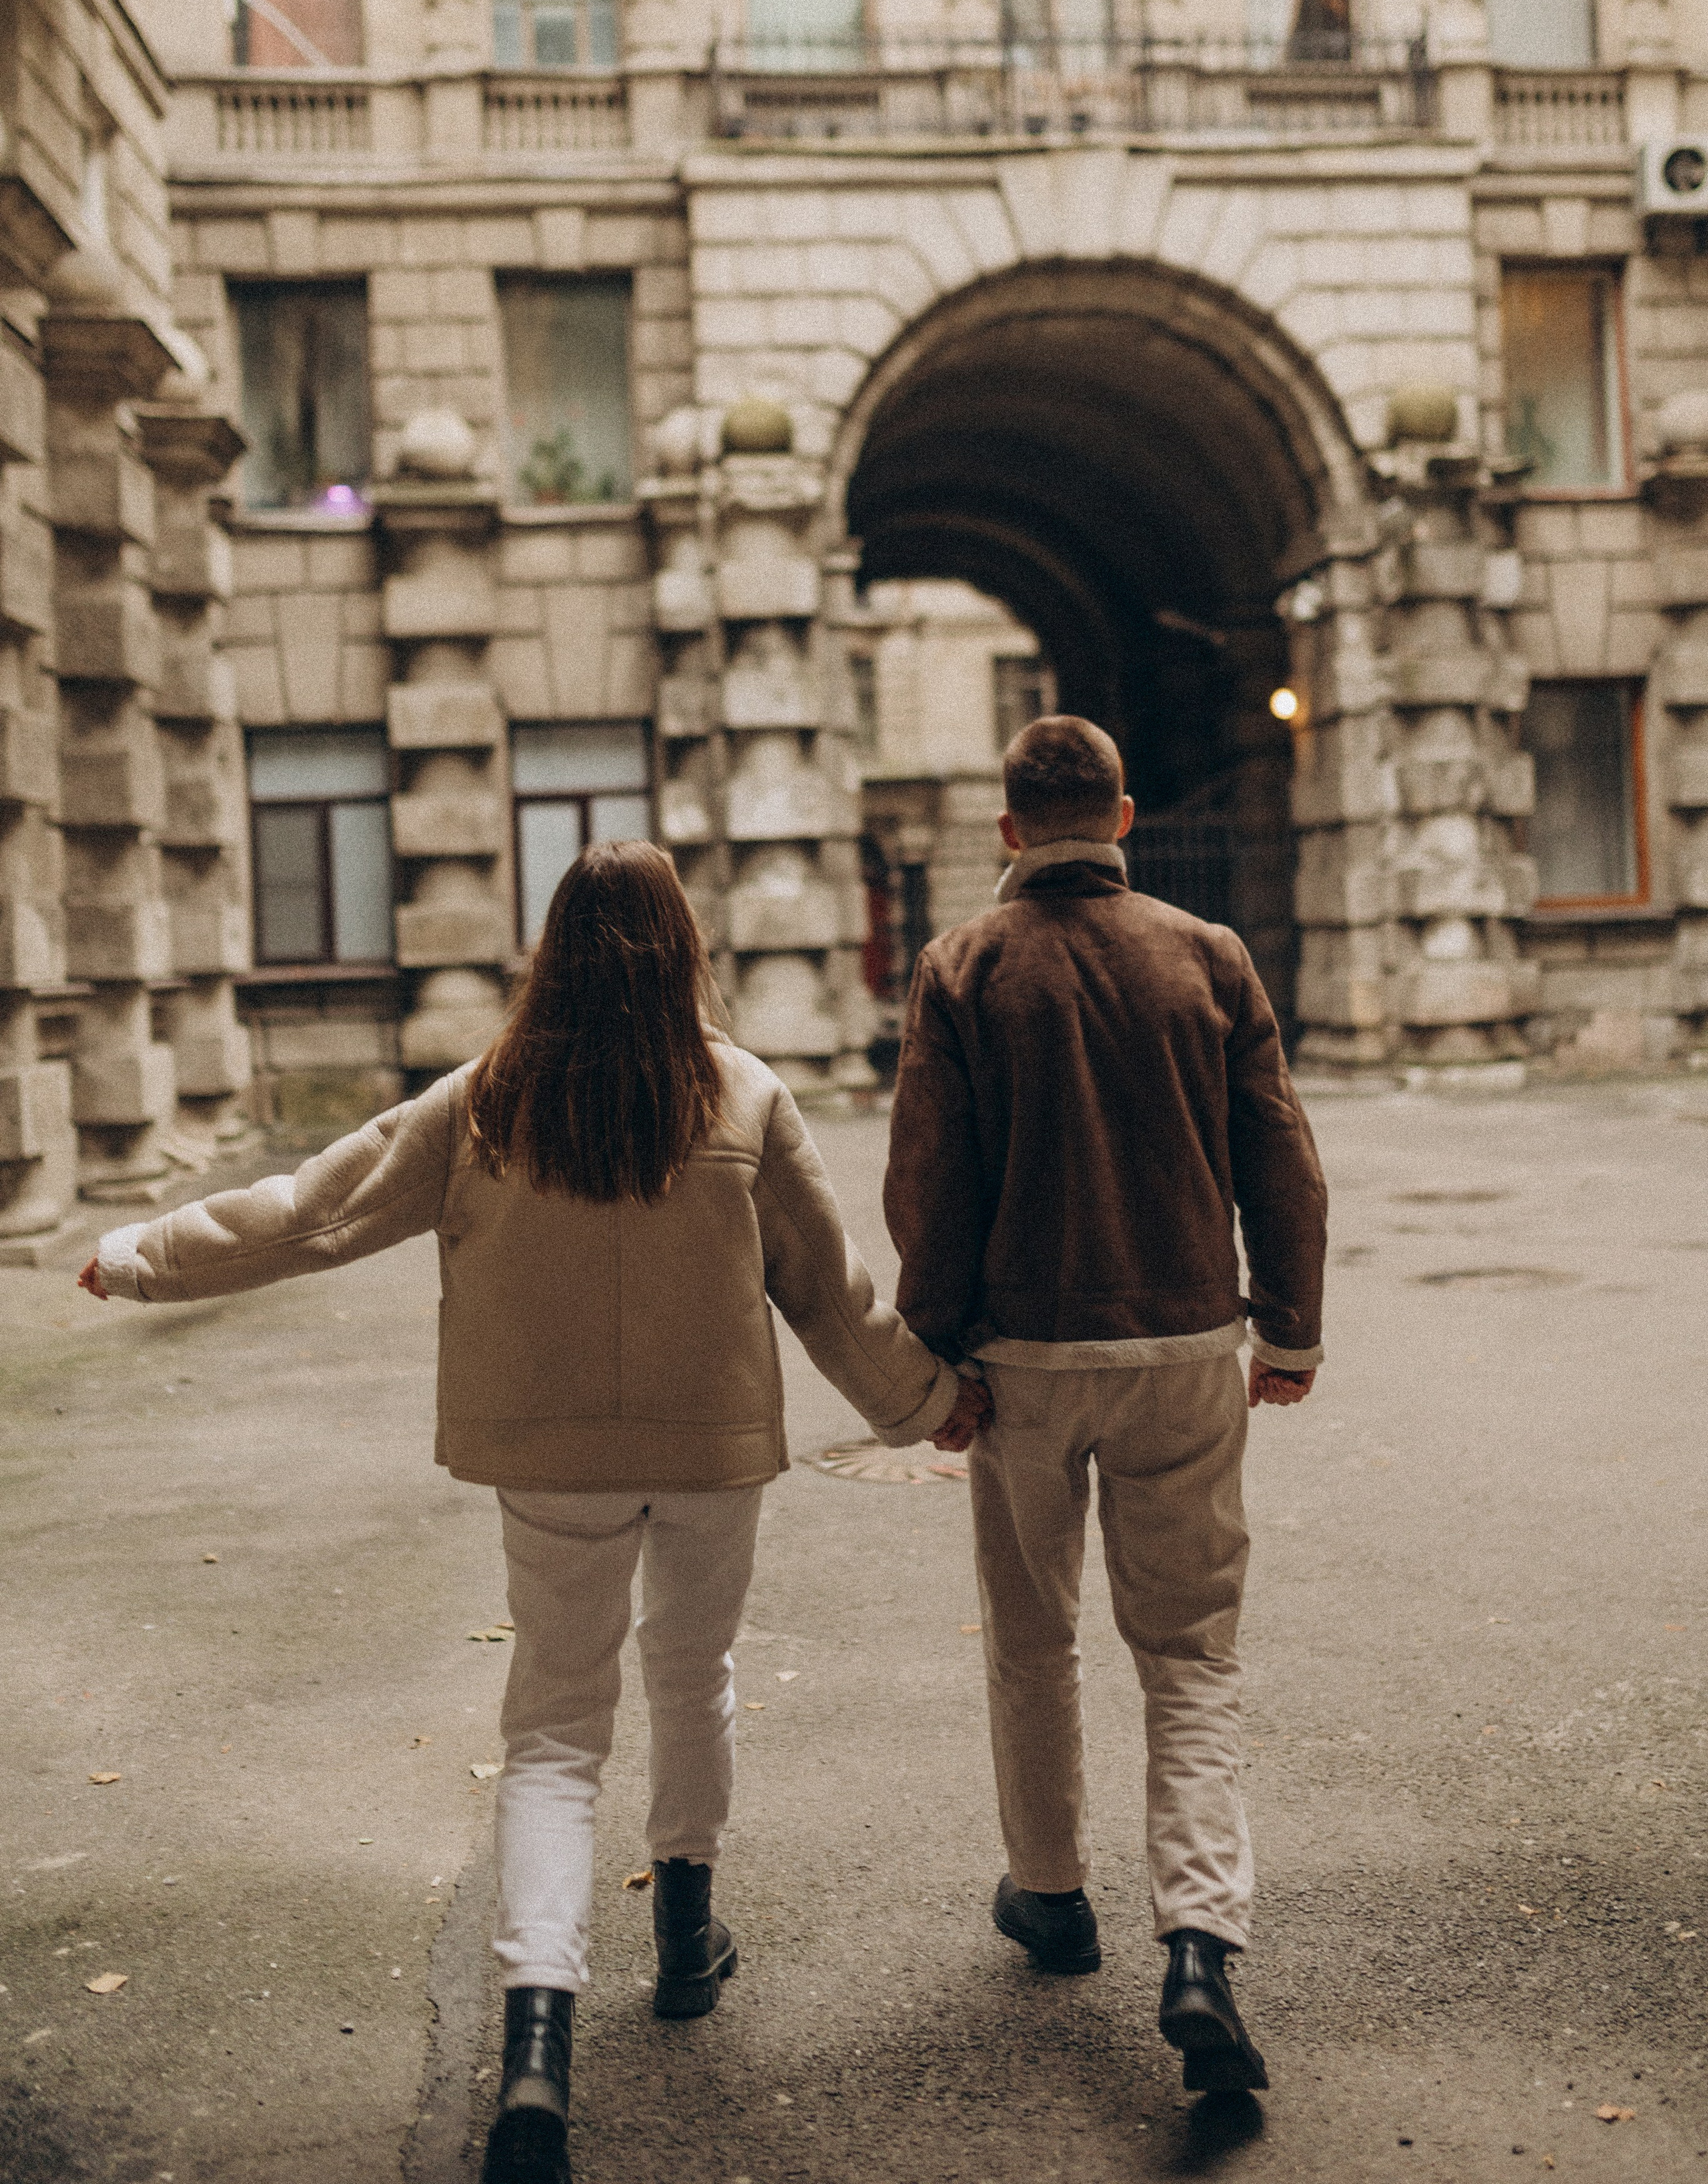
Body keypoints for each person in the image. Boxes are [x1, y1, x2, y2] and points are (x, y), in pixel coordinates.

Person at [81, 841, 987, 2184]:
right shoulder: (742, 1093)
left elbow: (310, 1211)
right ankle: (685, 1939)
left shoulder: (484, 1102)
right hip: (706, 1450)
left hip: (545, 1458)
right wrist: (926, 1403)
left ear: (549, 951)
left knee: (555, 1734)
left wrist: (138, 1256)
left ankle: (535, 2049)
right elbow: (829, 1291)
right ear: (685, 952)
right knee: (694, 1683)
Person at [882, 715, 1327, 2097]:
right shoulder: (1207, 956)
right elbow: (1281, 1157)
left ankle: (1052, 1896)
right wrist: (1290, 1328)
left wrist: (935, 1360)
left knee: (1032, 1635)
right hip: (1189, 1344)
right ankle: (1197, 1938)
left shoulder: (960, 965)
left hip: (1022, 1353)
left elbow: (928, 1189)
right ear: (1122, 817)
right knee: (1187, 1653)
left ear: (1008, 829)